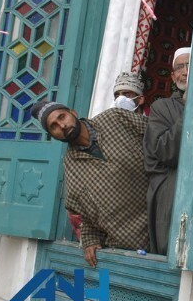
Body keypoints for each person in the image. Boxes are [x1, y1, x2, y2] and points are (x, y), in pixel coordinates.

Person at [31, 99, 154, 267]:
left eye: (62, 117)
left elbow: (157, 133)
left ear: (73, 113)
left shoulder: (115, 118)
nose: (62, 125)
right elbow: (84, 214)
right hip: (129, 246)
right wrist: (90, 240)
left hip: (163, 217)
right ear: (52, 136)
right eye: (54, 126)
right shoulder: (72, 166)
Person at [142, 47, 190, 255]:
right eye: (180, 67)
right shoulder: (162, 107)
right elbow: (166, 151)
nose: (186, 71)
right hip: (171, 193)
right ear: (172, 76)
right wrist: (189, 106)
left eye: (191, 65)